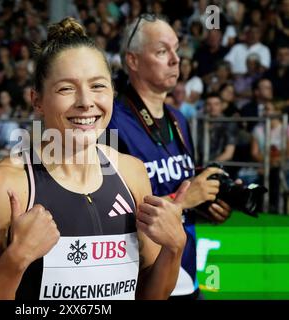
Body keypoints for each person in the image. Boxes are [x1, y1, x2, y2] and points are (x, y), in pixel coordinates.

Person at [0, 17, 189, 300]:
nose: (86, 101)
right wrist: (15, 260)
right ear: (36, 100)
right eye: (66, 88)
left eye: (98, 86)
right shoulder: (4, 187)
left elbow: (150, 295)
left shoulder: (131, 172)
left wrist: (175, 247)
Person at [108, 14, 233, 299]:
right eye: (162, 51)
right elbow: (106, 216)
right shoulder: (112, 121)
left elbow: (179, 189)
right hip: (142, 279)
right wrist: (185, 199)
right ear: (133, 61)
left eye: (176, 49)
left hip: (187, 272)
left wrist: (206, 205)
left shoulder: (178, 119)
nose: (176, 59)